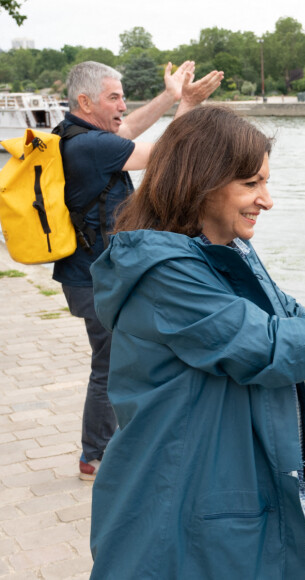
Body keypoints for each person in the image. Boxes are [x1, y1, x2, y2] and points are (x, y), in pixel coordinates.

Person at [88, 105, 305, 579]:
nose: (266, 201)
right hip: (180, 494)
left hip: (226, 481)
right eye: (251, 185)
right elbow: (276, 351)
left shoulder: (229, 254)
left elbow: (297, 327)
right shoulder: (166, 275)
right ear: (201, 181)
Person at [52, 60, 224, 481]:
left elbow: (128, 131)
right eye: (114, 98)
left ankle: (120, 442)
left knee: (122, 357)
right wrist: (186, 104)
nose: (123, 106)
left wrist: (169, 97)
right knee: (111, 364)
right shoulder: (92, 147)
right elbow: (166, 156)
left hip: (89, 274)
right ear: (85, 101)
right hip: (94, 279)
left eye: (123, 96)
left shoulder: (76, 133)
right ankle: (95, 456)